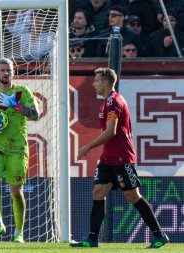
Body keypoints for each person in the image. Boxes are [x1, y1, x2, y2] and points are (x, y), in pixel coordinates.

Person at [70, 67, 169, 248]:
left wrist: (87, 147)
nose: (94, 84)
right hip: (109, 157)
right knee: (98, 192)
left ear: (106, 82)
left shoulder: (114, 102)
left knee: (133, 196)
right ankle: (92, 239)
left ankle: (159, 235)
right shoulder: (107, 102)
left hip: (122, 157)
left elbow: (111, 131)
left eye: (97, 81)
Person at [0, 58, 40, 243]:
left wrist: (17, 106)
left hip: (17, 148)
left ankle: (19, 232)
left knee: (16, 191)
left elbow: (35, 115)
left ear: (14, 72)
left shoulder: (22, 92)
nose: (6, 73)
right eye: (2, 70)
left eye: (9, 70)